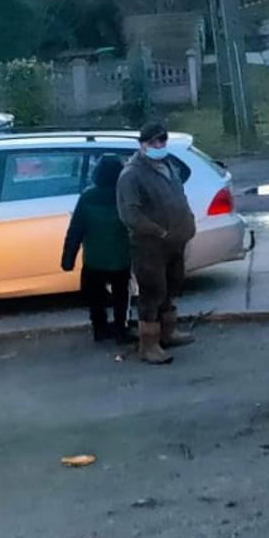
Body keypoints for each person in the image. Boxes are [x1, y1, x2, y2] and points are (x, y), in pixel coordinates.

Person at [116, 123, 196, 365]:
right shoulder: (132, 175)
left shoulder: (167, 166)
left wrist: (187, 223)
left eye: (162, 141)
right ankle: (148, 345)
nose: (159, 146)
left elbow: (179, 197)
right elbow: (131, 214)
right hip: (149, 244)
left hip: (174, 240)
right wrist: (158, 231)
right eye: (153, 143)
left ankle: (167, 332)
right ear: (143, 145)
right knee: (152, 292)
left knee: (171, 286)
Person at [61, 155, 133, 343]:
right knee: (121, 296)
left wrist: (68, 259)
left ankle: (99, 329)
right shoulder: (124, 196)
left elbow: (75, 230)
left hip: (94, 258)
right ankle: (121, 329)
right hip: (121, 257)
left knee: (95, 297)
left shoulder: (87, 197)